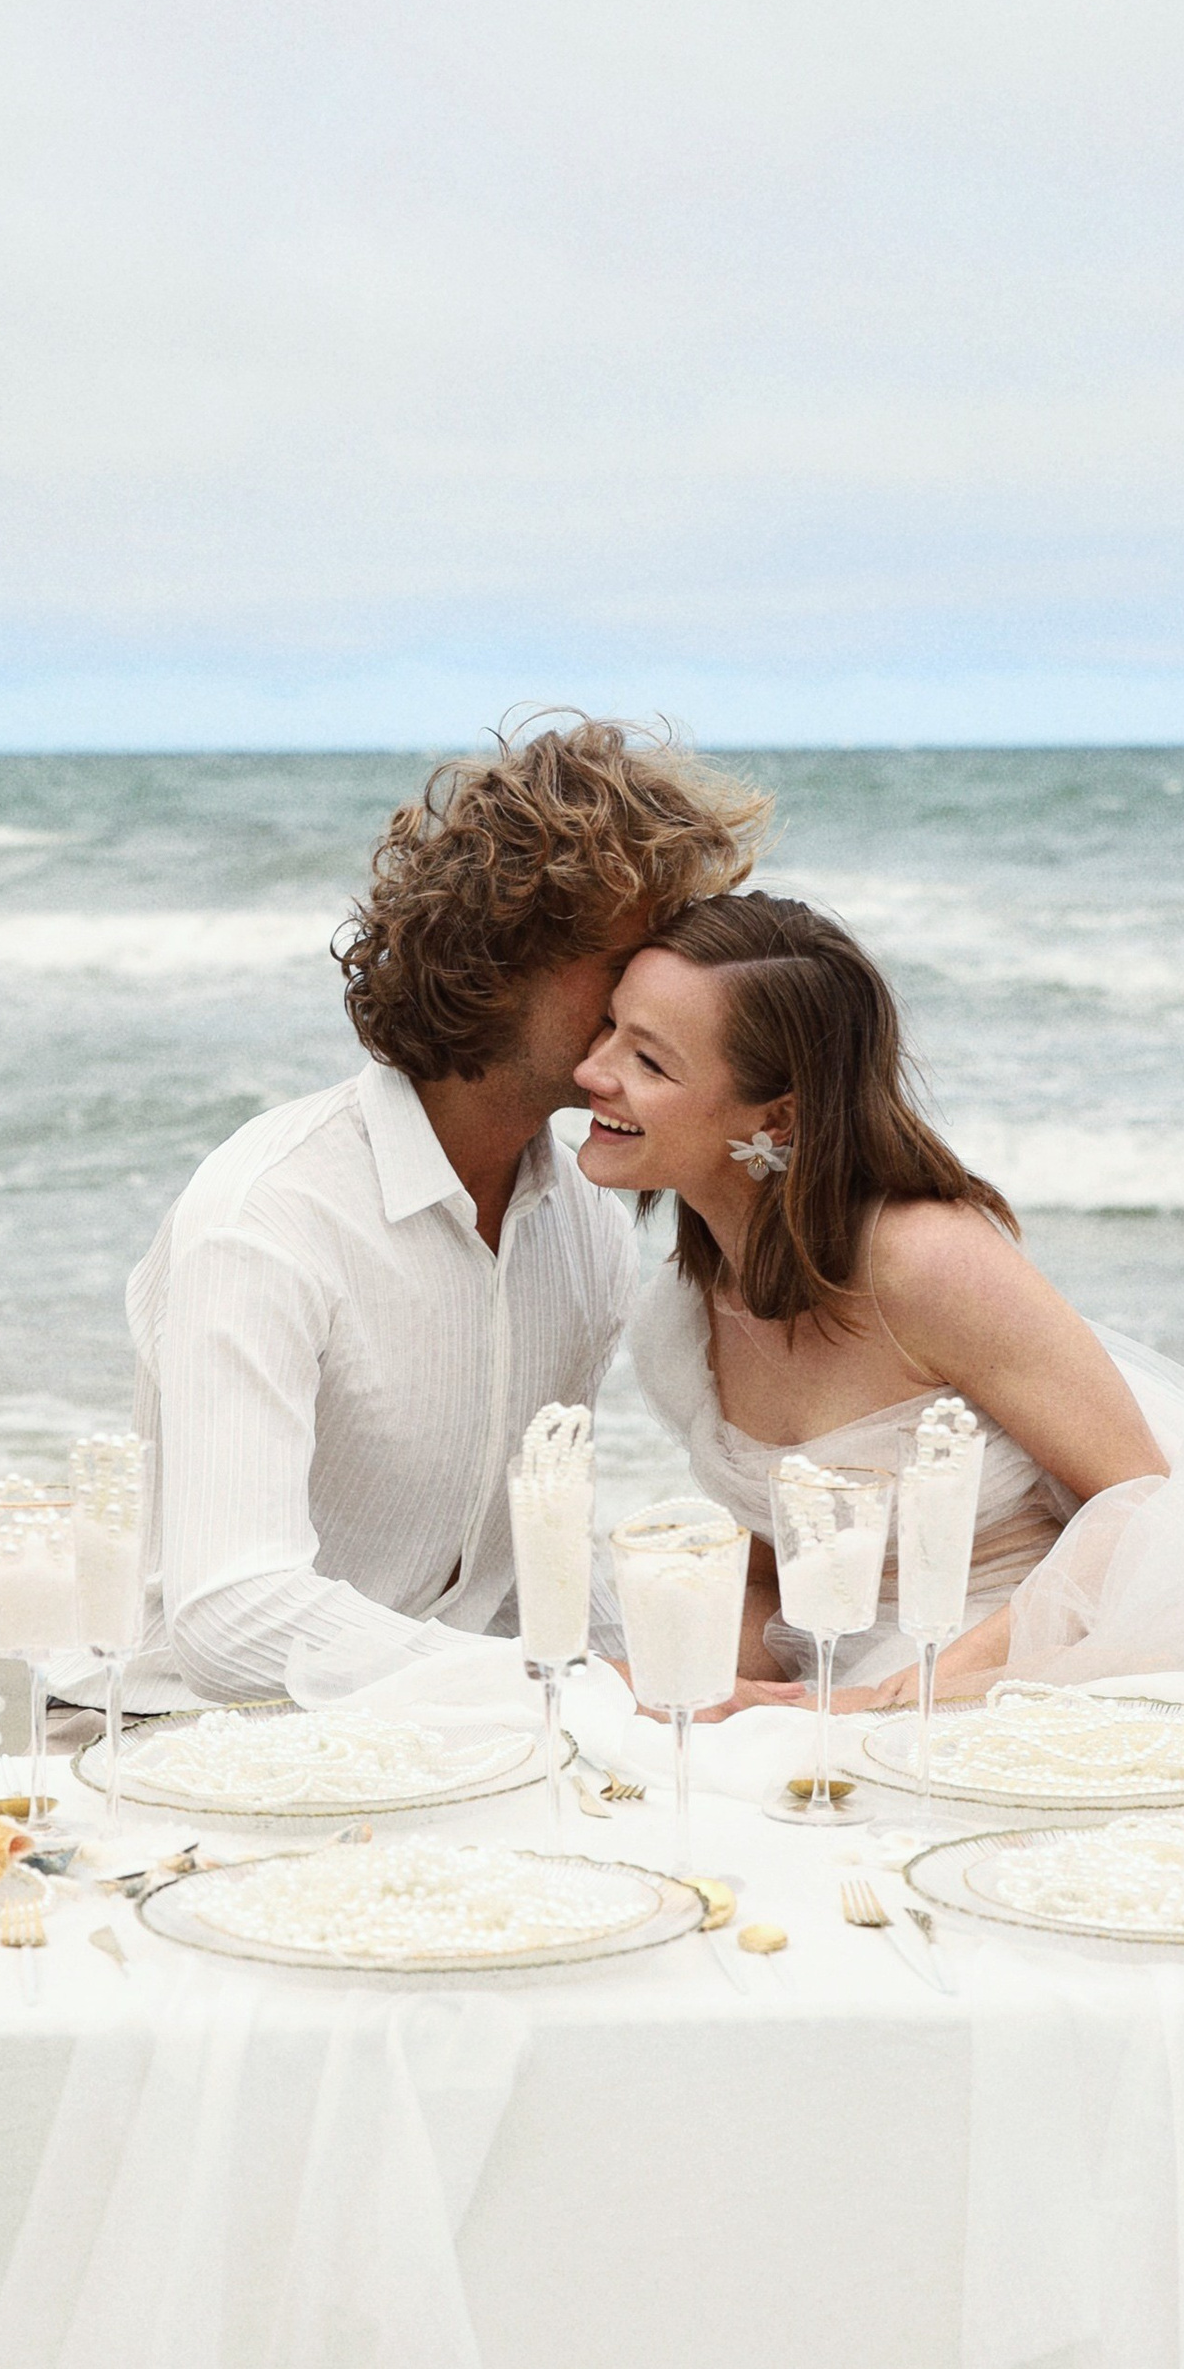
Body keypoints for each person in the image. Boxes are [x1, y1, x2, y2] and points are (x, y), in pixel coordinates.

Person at [126, 720, 767, 1703]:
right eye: (630, 957)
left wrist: (663, 1700)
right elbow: (229, 1613)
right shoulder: (270, 1213)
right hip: (195, 1744)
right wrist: (578, 1690)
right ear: (501, 958)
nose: (660, 988)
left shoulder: (583, 1212)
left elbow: (528, 1562)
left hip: (451, 1737)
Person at [575, 892, 1164, 1709]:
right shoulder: (683, 1313)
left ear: (776, 1120)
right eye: (607, 1028)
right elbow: (772, 1567)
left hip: (1020, 1668)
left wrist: (851, 1707)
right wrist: (714, 1691)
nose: (591, 1072)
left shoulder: (926, 1262)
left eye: (649, 1061)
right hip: (837, 1667)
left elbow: (1140, 1508)